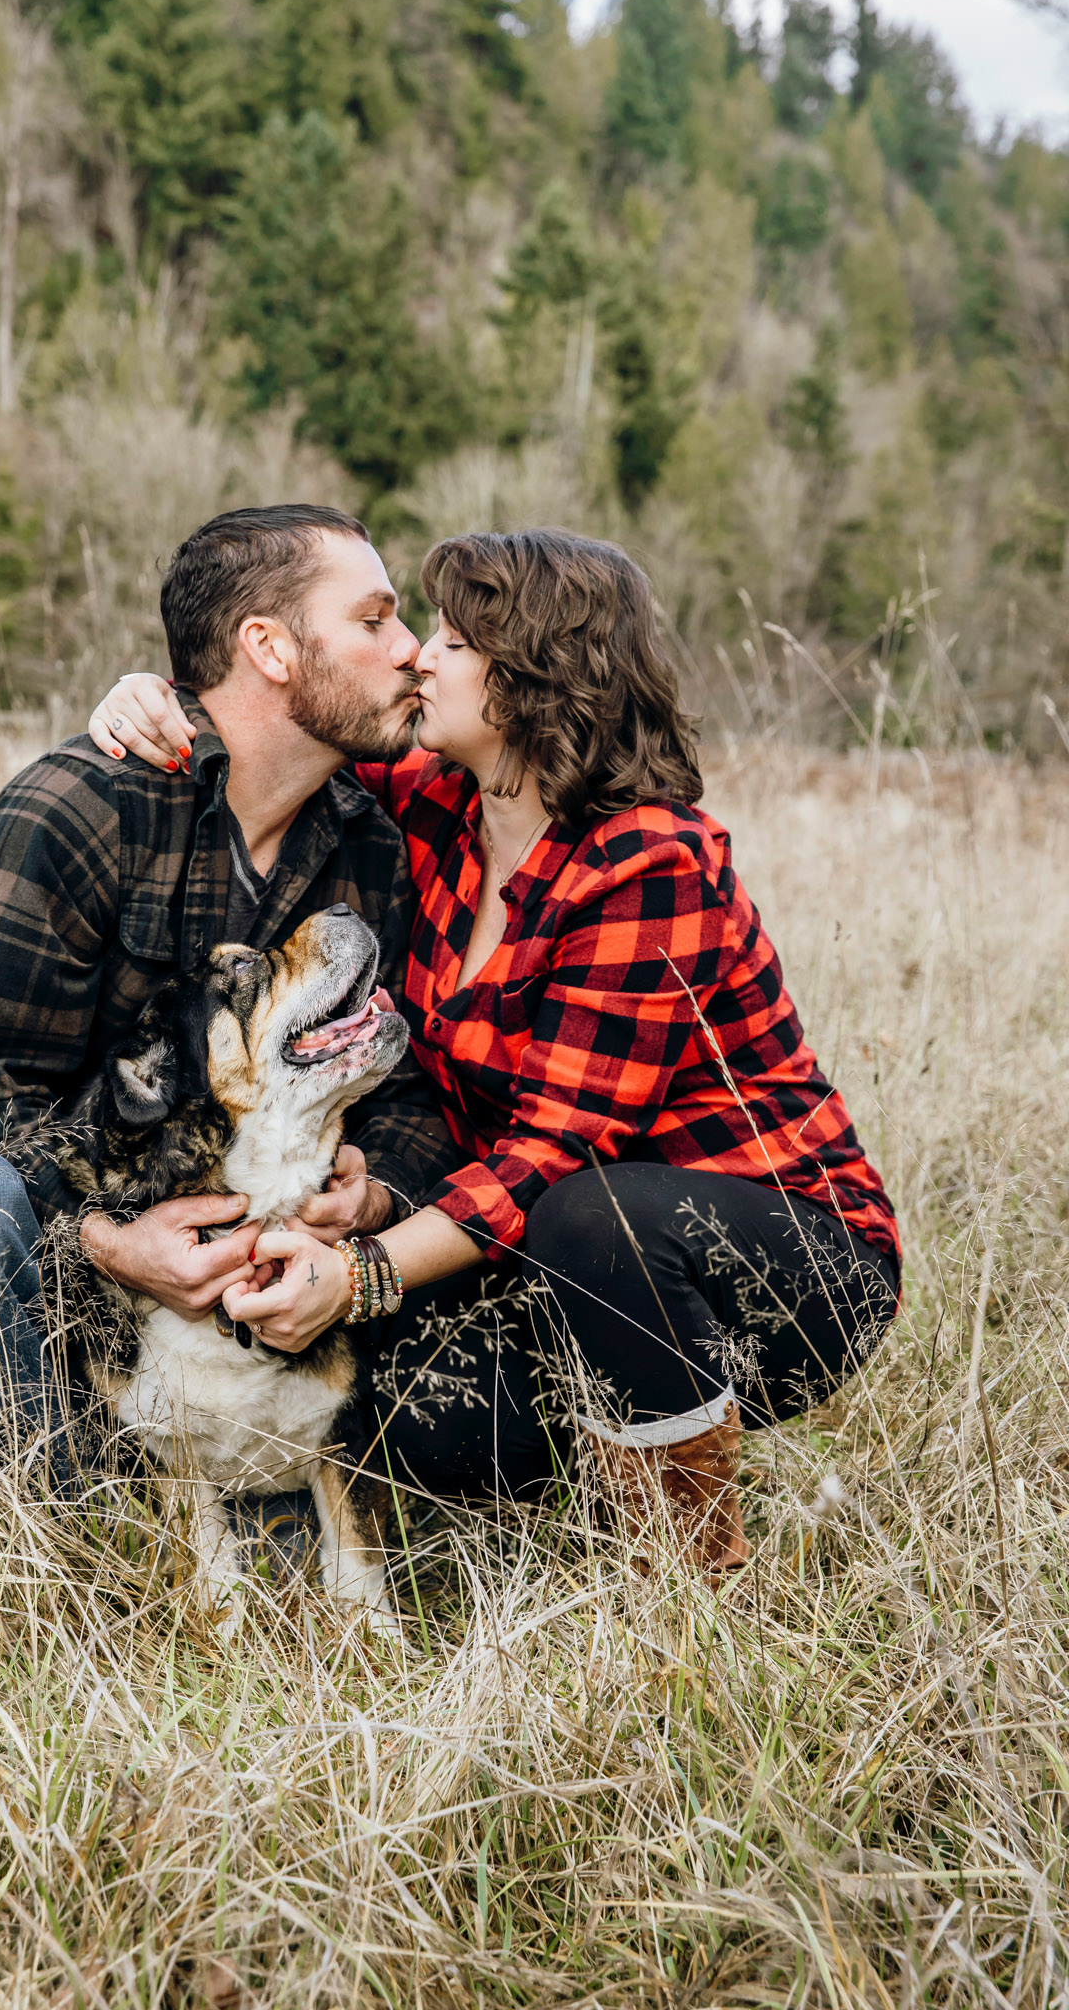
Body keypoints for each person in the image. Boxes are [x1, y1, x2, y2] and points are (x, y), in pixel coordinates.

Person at [88, 528, 901, 1573]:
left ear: (537, 681)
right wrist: (155, 700)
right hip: (537, 1252)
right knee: (422, 1427)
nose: (422, 655)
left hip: (778, 1255)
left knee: (597, 1213)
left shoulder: (652, 862)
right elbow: (278, 733)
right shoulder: (431, 810)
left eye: (456, 641)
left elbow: (555, 1151)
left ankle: (693, 1572)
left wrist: (363, 1272)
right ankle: (582, 1469)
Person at [0, 505, 462, 1494]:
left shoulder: (372, 846)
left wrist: (373, 1188)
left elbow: (414, 1098)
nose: (411, 650)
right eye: (377, 620)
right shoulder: (81, 811)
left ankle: (245, 1502)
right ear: (270, 648)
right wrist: (113, 1242)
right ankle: (53, 1535)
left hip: (241, 1292)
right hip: (32, 1263)